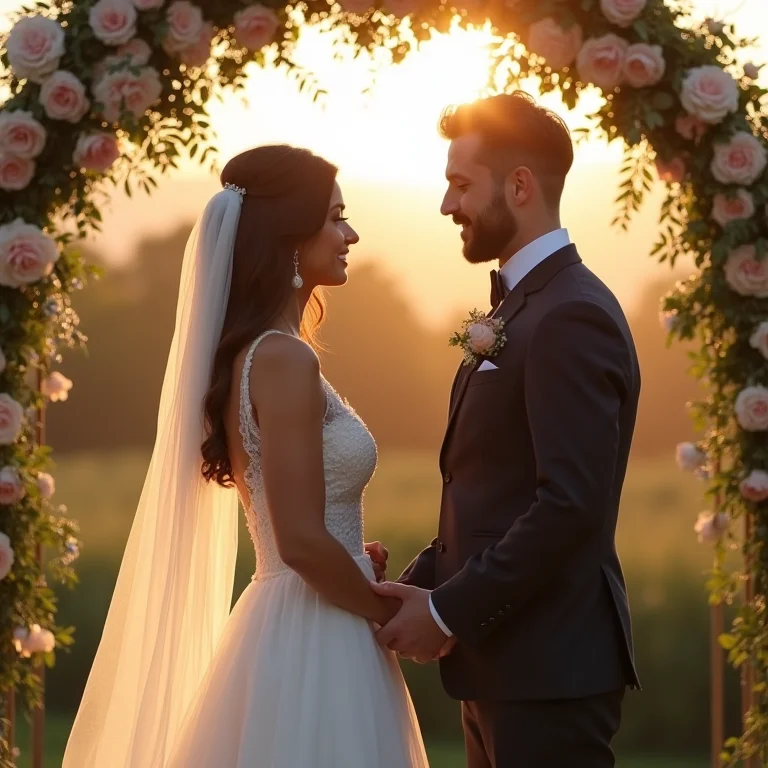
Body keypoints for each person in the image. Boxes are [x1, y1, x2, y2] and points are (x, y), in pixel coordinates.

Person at [63, 145, 429, 768]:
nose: (351, 234)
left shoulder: (259, 354)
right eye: (336, 217)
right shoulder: (283, 358)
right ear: (289, 238)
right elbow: (300, 544)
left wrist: (353, 558)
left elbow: (297, 523)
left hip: (305, 609)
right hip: (318, 627)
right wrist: (385, 611)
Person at [373, 92, 642, 768]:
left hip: (549, 675)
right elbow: (492, 485)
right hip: (503, 667)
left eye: (460, 184)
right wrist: (416, 586)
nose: (445, 205)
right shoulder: (525, 309)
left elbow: (568, 507)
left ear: (520, 185)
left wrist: (443, 615)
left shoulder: (570, 316)